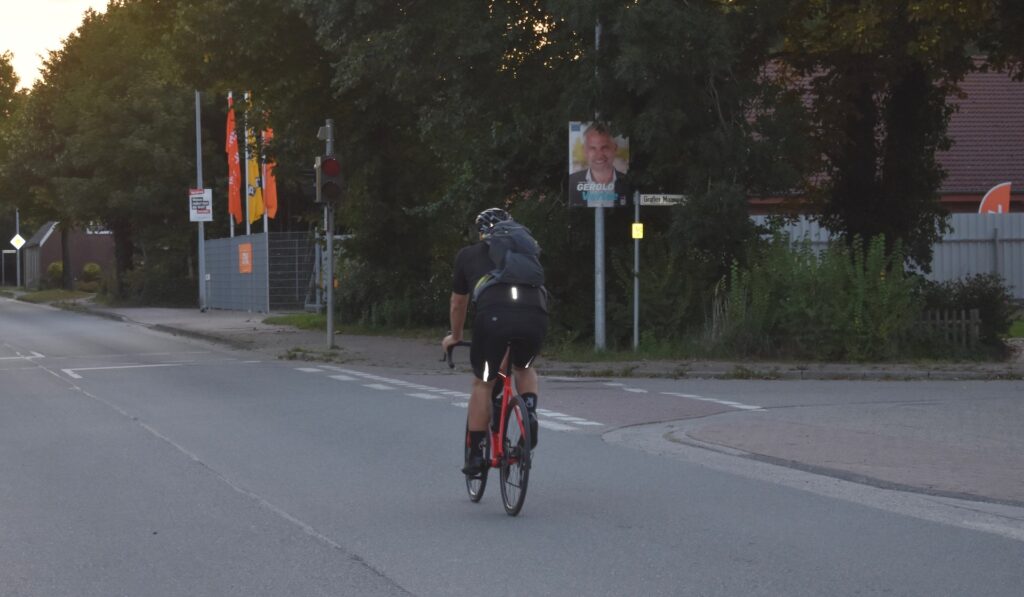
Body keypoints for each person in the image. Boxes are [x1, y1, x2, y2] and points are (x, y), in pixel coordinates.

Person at [442, 207, 548, 476]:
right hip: (534, 316)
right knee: (523, 367)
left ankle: (476, 455)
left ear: (482, 234)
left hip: (494, 320)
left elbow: (458, 303)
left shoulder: (468, 255)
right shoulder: (526, 254)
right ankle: (530, 414)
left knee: (484, 382)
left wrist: (455, 337)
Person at [568, 122, 630, 207]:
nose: (599, 155)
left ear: (615, 148)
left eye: (604, 148)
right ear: (584, 151)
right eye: (593, 148)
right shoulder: (572, 181)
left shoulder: (627, 182)